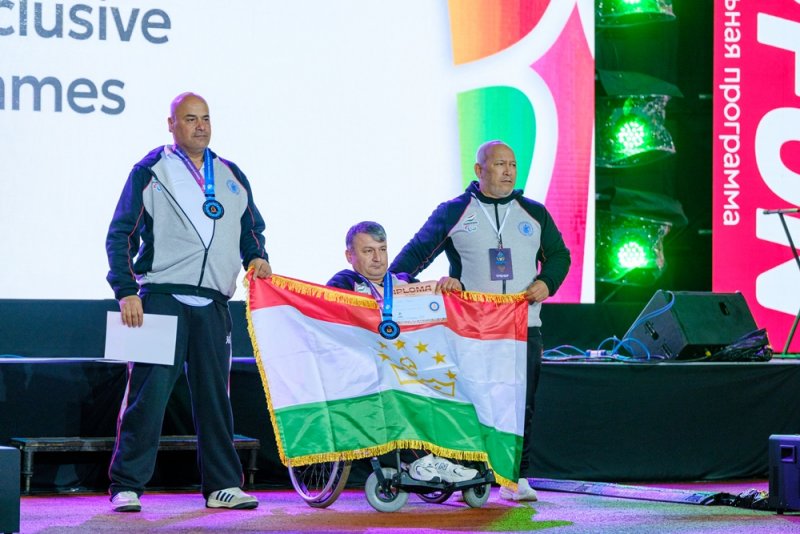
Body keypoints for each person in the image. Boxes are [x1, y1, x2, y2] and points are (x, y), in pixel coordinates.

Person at [105, 92, 271, 512]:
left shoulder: (232, 174)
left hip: (213, 302)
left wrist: (256, 256)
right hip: (160, 297)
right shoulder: (151, 170)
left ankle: (222, 485)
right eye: (191, 118)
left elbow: (251, 228)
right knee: (147, 396)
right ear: (172, 124)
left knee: (216, 397)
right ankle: (126, 485)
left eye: (206, 118)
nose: (201, 126)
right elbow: (121, 234)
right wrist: (126, 289)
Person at [389, 140, 571, 501]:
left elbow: (560, 256)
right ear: (479, 169)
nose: (508, 171)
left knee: (520, 405)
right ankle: (469, 474)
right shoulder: (453, 211)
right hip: (471, 330)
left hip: (522, 328)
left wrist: (547, 283)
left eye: (513, 165)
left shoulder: (534, 213)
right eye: (500, 164)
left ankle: (516, 478)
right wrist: (434, 290)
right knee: (470, 404)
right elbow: (407, 263)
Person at [328, 221, 478, 484]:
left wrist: (452, 287)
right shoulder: (344, 282)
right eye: (368, 251)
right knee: (397, 382)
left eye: (382, 249)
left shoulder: (405, 282)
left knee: (449, 378)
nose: (378, 258)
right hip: (364, 369)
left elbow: (438, 311)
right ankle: (420, 460)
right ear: (349, 255)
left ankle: (444, 458)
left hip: (408, 364)